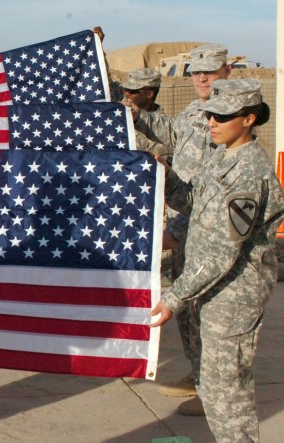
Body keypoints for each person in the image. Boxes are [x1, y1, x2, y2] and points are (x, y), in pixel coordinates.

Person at [151, 78, 284, 443]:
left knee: (227, 395)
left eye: (223, 116)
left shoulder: (248, 174)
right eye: (211, 114)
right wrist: (164, 174)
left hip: (233, 298)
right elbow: (192, 202)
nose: (212, 122)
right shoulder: (221, 156)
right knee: (211, 386)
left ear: (249, 119)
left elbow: (223, 253)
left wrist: (173, 297)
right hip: (211, 292)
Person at [130, 43, 231, 415]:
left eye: (210, 70)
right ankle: (201, 375)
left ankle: (216, 391)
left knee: (209, 310)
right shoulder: (194, 110)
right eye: (196, 71)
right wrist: (136, 115)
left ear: (227, 71)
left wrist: (183, 225)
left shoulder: (229, 115)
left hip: (204, 226)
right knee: (188, 309)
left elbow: (217, 188)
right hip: (184, 215)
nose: (202, 77)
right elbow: (172, 132)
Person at [120, 68, 169, 157]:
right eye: (125, 89)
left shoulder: (162, 130)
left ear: (149, 94)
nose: (126, 93)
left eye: (132, 91)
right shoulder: (122, 113)